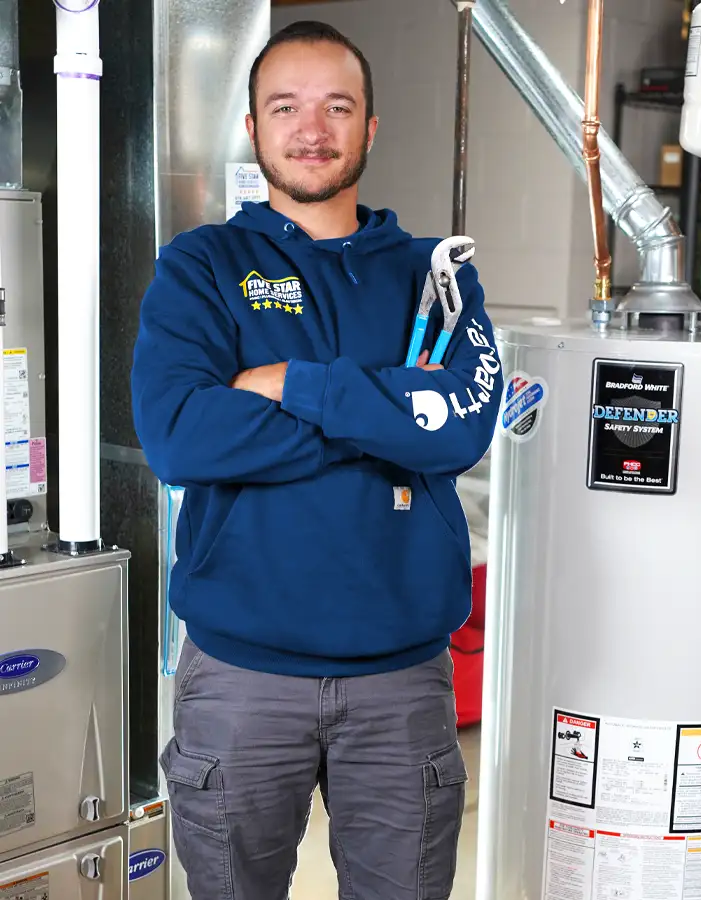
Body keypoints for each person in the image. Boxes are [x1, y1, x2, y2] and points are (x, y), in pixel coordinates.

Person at [130, 20, 502, 900]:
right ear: (254, 129)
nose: (312, 128)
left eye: (337, 107)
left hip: (402, 680)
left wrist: (293, 382)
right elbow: (180, 436)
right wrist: (385, 412)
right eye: (285, 107)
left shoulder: (433, 276)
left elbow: (460, 430)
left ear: (369, 127)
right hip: (242, 679)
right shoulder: (202, 267)